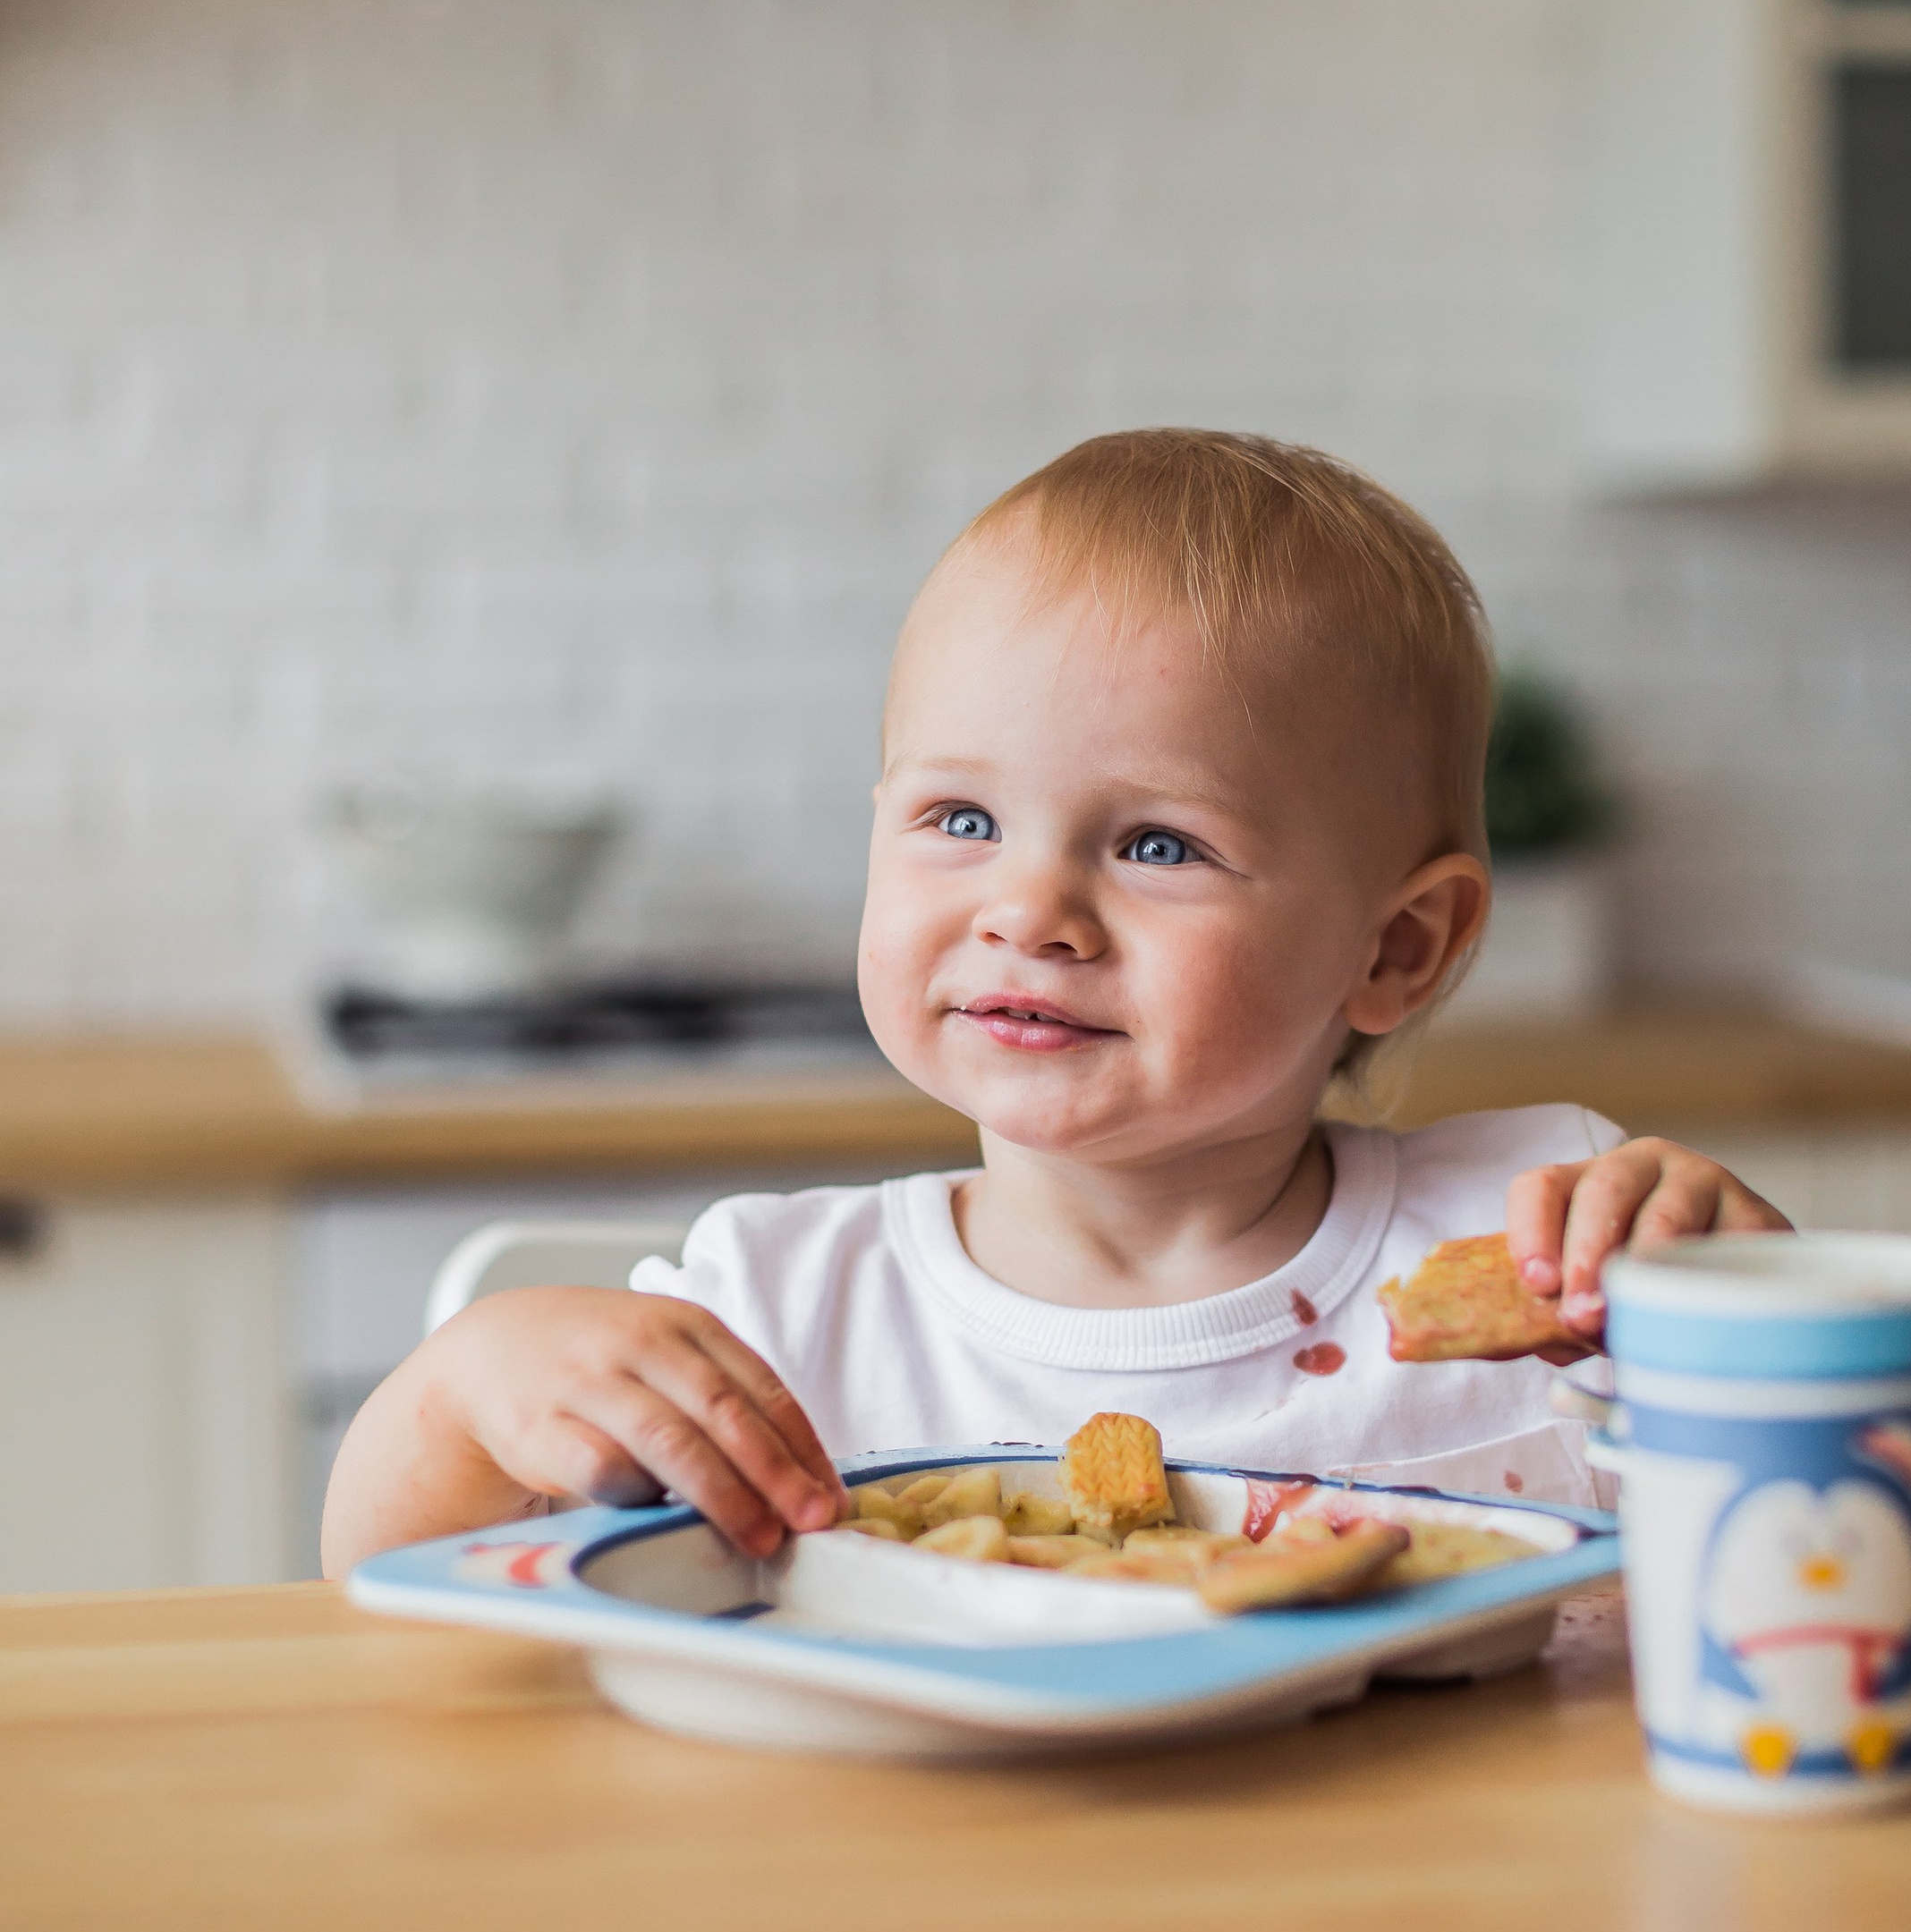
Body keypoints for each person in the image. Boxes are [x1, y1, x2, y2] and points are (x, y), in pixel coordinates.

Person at [321, 433, 1786, 1574]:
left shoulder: (1546, 1258)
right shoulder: (781, 1314)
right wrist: (462, 1389)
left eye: (1158, 845)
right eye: (960, 819)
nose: (1028, 911)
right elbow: (393, 1593)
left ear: (1398, 949)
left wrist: (1759, 1298)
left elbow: (1892, 1502)